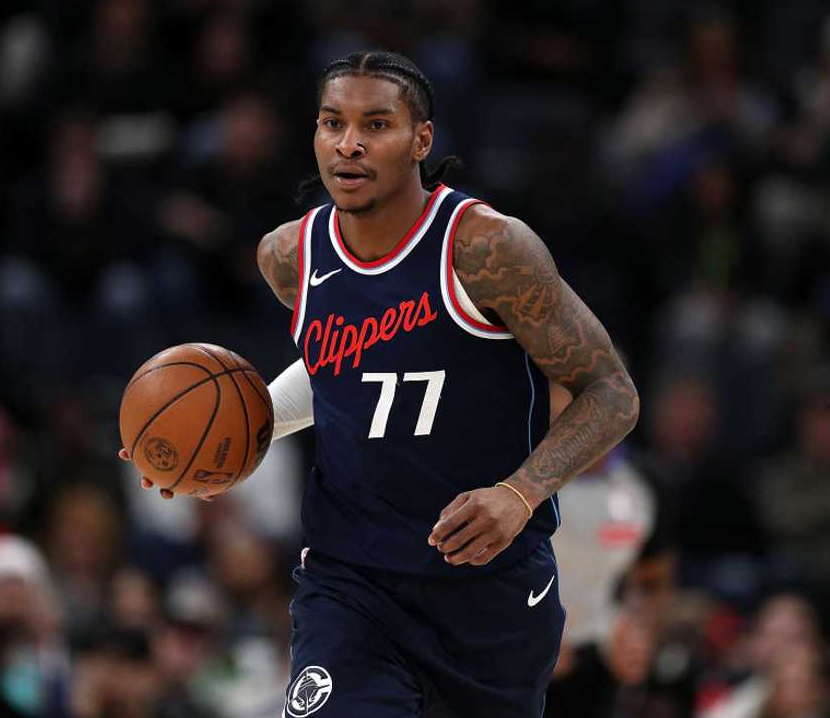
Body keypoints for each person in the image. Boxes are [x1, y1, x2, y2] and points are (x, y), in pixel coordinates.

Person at [129, 50, 639, 717]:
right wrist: (193, 446)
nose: (348, 143)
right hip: (352, 585)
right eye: (331, 123)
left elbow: (611, 391)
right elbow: (339, 375)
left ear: (421, 139)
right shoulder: (289, 257)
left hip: (489, 596)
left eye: (375, 124)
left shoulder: (487, 250)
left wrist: (521, 491)